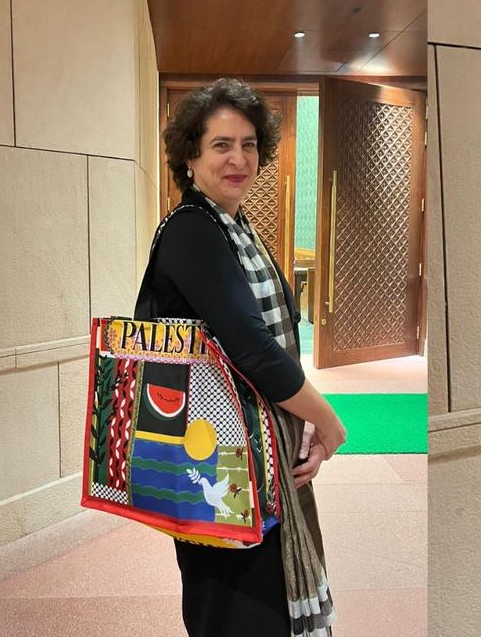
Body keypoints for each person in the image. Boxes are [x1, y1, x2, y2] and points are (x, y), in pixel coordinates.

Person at [136, 77, 347, 636]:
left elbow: (273, 343)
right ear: (190, 157)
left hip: (253, 448)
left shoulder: (236, 228)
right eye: (221, 145)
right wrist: (326, 419)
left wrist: (296, 422)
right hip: (216, 454)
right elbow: (252, 348)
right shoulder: (192, 232)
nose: (239, 159)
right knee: (236, 602)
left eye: (249, 144)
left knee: (259, 594)